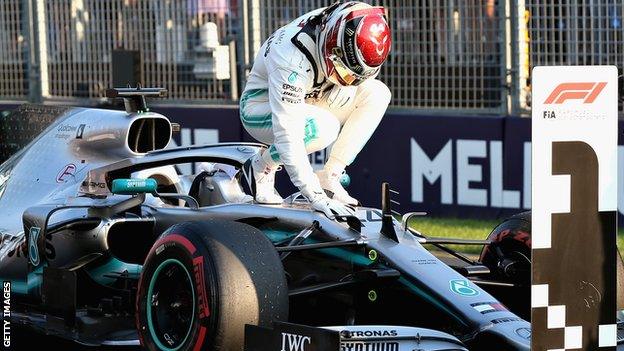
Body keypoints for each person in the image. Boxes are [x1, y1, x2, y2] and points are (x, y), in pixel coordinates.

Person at [240, 1, 392, 218]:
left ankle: (330, 175)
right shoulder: (290, 58)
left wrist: (348, 81)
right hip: (261, 106)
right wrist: (315, 195)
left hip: (312, 94)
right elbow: (287, 135)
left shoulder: (355, 18)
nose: (348, 80)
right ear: (332, 44)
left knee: (378, 93)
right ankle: (261, 164)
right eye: (345, 71)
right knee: (323, 128)